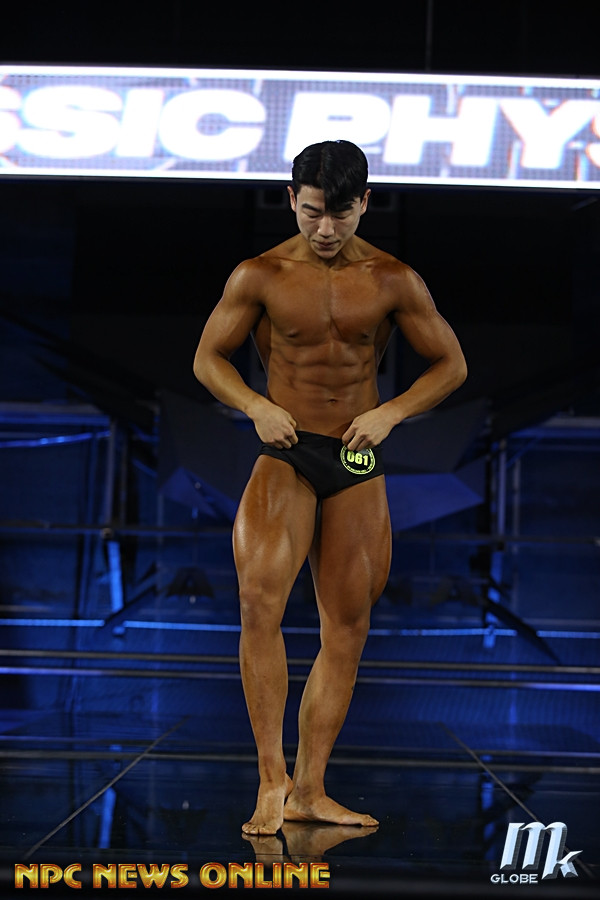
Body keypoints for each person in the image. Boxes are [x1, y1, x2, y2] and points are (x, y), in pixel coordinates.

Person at [193, 140, 467, 835]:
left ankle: (310, 789)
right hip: (286, 449)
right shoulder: (260, 274)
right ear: (291, 200)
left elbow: (451, 365)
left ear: (364, 203)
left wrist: (390, 412)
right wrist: (254, 404)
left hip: (354, 453)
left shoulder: (393, 279)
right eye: (312, 211)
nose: (324, 228)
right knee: (259, 604)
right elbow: (208, 358)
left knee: (347, 626)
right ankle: (271, 780)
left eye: (339, 214)